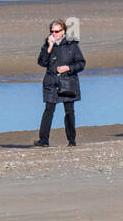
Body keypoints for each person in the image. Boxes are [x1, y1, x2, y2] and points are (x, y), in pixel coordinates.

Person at [35, 18, 86, 147]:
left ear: (63, 31)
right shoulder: (47, 44)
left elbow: (81, 63)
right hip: (51, 81)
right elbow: (41, 62)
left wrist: (68, 68)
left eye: (57, 31)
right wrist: (50, 47)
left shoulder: (72, 45)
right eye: (52, 31)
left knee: (69, 111)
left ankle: (71, 140)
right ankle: (43, 140)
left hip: (67, 81)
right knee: (48, 110)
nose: (54, 34)